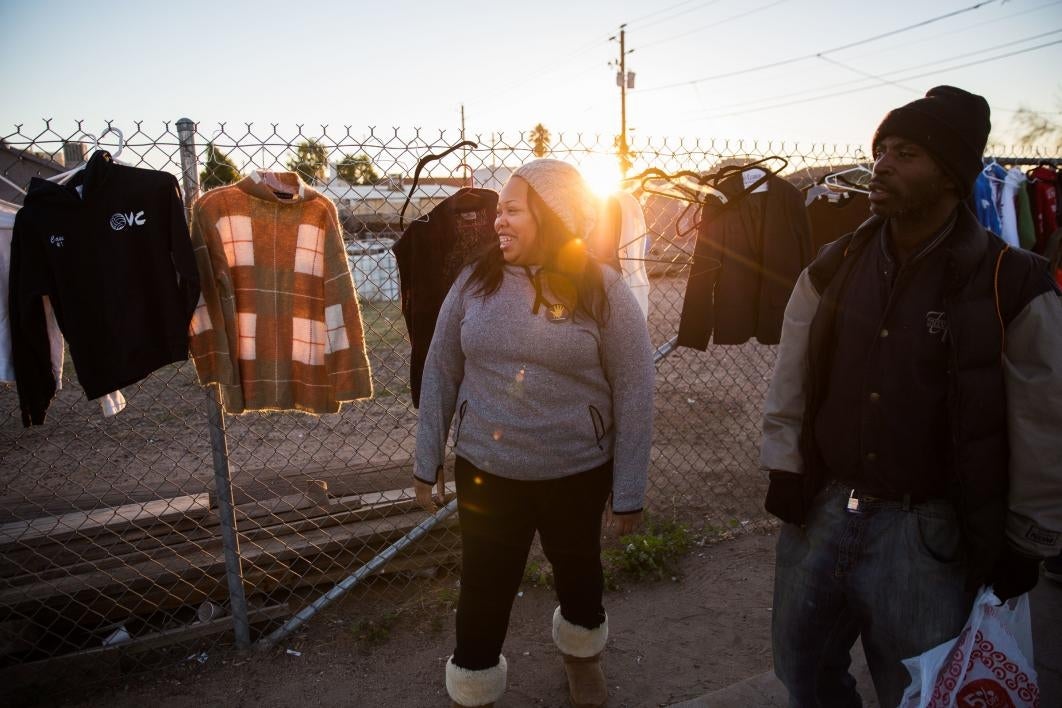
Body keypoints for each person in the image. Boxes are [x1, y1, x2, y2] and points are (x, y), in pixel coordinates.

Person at [759, 86, 1062, 708]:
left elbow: (1044, 419)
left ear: (950, 174)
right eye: (882, 150)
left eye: (906, 153)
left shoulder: (1013, 281)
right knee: (802, 671)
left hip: (926, 533)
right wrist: (784, 465)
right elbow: (792, 372)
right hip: (821, 512)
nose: (883, 165)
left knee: (918, 689)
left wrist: (1028, 537)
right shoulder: (833, 265)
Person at [413, 159, 654, 708]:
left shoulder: (604, 289)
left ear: (552, 215)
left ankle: (583, 657)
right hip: (487, 473)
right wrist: (427, 460)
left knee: (578, 574)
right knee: (483, 587)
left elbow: (636, 389)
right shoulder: (475, 281)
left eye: (512, 210)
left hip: (575, 472)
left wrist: (630, 488)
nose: (498, 221)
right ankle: (474, 682)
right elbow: (441, 368)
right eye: (499, 210)